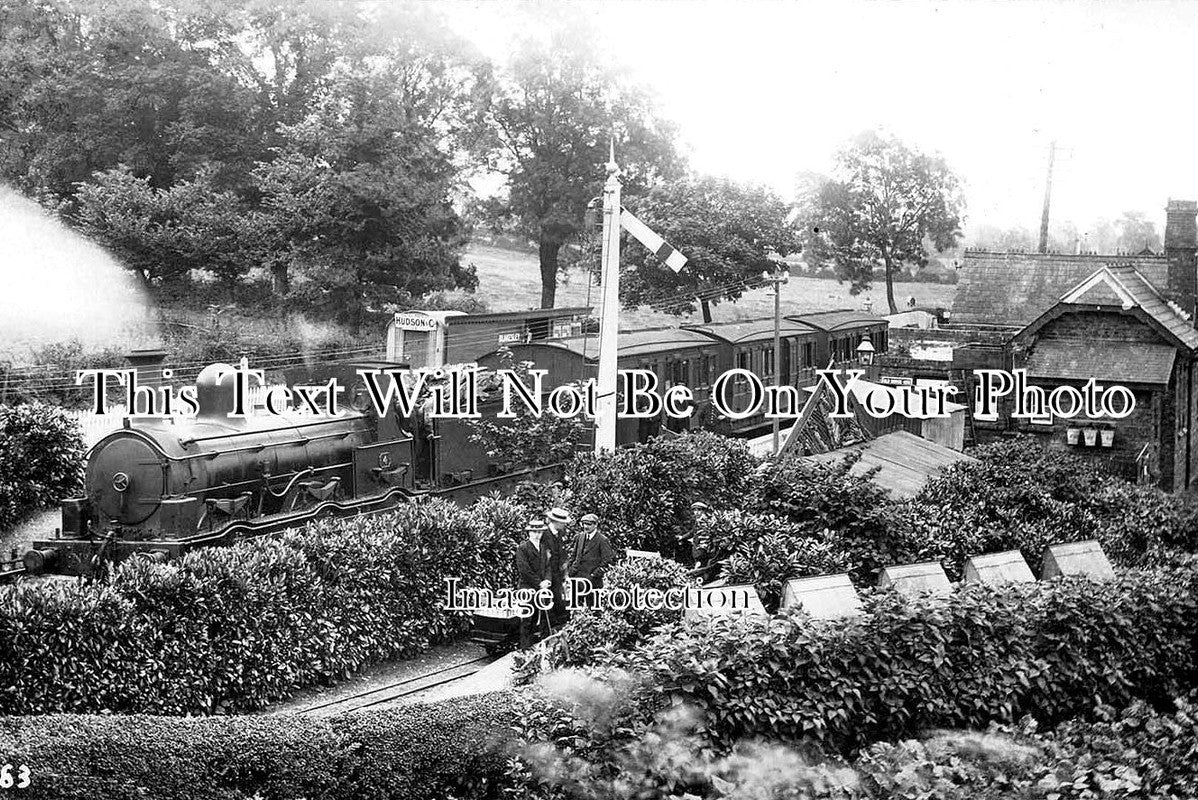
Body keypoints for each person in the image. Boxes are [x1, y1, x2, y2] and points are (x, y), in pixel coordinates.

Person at [514, 519, 552, 649]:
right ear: (529, 532)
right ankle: (525, 648)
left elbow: (548, 566)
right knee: (527, 619)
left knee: (540, 616)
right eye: (534, 532)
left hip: (542, 588)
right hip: (527, 588)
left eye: (539, 532)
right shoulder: (522, 548)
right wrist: (539, 583)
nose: (537, 534)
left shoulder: (543, 547)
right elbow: (524, 570)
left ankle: (540, 646)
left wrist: (547, 580)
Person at [564, 513, 615, 607]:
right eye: (584, 524)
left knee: (593, 608)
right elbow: (573, 555)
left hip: (592, 582)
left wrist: (593, 575)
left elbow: (607, 561)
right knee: (574, 607)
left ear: (595, 525)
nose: (586, 526)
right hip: (576, 579)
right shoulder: (580, 537)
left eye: (589, 524)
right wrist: (570, 570)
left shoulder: (602, 540)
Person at [543, 507, 571, 622]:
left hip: (557, 574)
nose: (565, 525)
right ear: (557, 522)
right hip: (547, 574)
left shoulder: (559, 534)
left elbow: (562, 555)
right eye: (563, 523)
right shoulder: (544, 534)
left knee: (558, 602)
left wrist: (565, 573)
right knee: (549, 603)